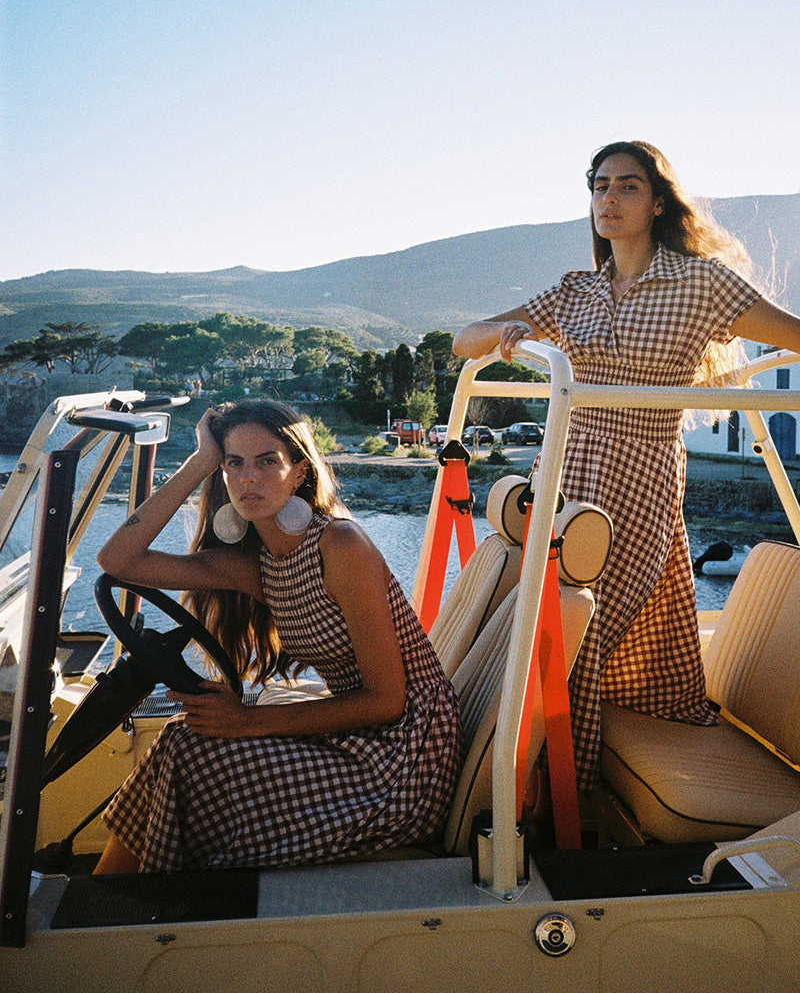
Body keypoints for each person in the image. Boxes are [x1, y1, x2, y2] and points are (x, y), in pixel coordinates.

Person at [453, 140, 800, 793]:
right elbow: (464, 339)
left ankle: (559, 795)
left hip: (641, 473)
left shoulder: (702, 283)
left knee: (581, 626)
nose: (608, 199)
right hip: (564, 469)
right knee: (542, 617)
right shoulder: (575, 290)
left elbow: (794, 333)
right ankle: (524, 787)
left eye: (627, 186)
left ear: (659, 202)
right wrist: (507, 336)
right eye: (600, 185)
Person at [93, 399, 461, 873]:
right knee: (180, 738)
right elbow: (118, 560)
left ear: (299, 472)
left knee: (189, 753)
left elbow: (388, 701)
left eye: (267, 462)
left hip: (406, 753)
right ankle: (113, 898)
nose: (249, 478)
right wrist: (201, 461)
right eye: (235, 463)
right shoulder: (257, 565)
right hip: (358, 735)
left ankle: (128, 898)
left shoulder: (341, 545)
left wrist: (246, 721)